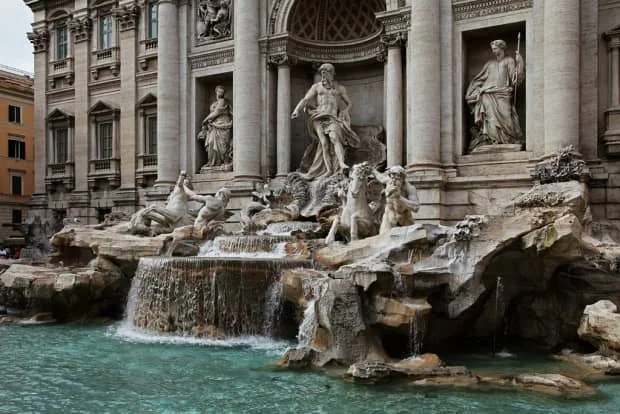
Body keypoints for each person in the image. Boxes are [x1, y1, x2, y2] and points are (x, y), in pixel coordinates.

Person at [291, 63, 360, 179]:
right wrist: (297, 109)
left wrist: (346, 111)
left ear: (332, 73)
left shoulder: (339, 88)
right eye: (322, 73)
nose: (323, 75)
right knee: (324, 143)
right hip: (318, 116)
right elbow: (306, 99)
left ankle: (342, 163)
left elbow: (349, 103)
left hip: (332, 117)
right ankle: (329, 170)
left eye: (326, 72)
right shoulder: (316, 87)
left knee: (334, 137)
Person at [465, 39, 525, 153]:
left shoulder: (509, 61)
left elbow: (515, 79)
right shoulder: (489, 64)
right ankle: (493, 140)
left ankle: (509, 139)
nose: (493, 51)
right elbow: (479, 79)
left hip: (504, 93)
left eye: (495, 48)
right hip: (488, 94)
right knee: (490, 118)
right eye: (492, 49)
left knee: (507, 116)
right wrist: (476, 89)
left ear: (502, 48)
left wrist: (520, 62)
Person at [198, 85, 233, 168]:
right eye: (219, 91)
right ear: (216, 92)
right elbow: (213, 113)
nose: (221, 93)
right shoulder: (214, 103)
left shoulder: (222, 101)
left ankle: (223, 161)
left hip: (223, 123)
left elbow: (216, 112)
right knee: (211, 142)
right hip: (214, 125)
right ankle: (212, 162)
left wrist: (205, 120)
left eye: (222, 91)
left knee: (223, 144)